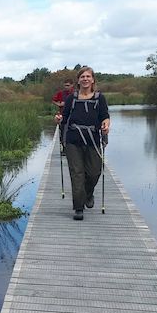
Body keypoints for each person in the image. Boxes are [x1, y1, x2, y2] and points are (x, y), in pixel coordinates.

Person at [54, 67, 110, 220]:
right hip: (73, 141)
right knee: (76, 174)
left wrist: (106, 125)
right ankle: (78, 208)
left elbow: (105, 116)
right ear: (78, 80)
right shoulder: (72, 98)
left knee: (94, 173)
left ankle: (88, 193)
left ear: (93, 80)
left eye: (88, 76)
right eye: (82, 77)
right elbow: (63, 117)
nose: (85, 79)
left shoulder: (100, 98)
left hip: (93, 140)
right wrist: (58, 119)